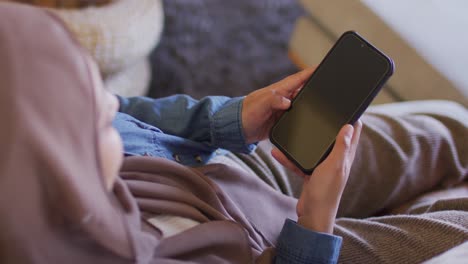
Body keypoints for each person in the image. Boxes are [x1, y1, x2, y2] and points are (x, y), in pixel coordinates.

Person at [1, 2, 467, 264]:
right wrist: (315, 224)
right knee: (453, 231)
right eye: (99, 118)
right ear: (55, 178)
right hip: (282, 249)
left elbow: (135, 113)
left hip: (225, 170)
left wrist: (230, 118)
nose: (114, 104)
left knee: (447, 131)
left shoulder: (50, 148)